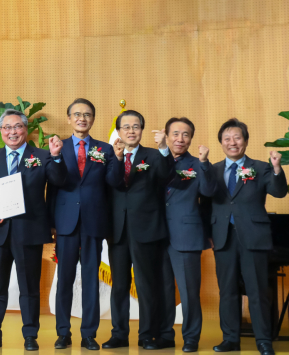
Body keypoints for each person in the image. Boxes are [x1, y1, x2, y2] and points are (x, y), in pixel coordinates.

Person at [0, 109, 66, 351]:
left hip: (29, 230)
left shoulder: (43, 155)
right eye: (7, 127)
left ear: (26, 129)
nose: (12, 132)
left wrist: (56, 157)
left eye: (17, 127)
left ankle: (30, 336)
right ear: (1, 131)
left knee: (29, 287)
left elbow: (58, 181)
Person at [202, 119, 286, 355]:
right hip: (222, 237)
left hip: (254, 237)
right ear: (221, 143)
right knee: (227, 291)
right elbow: (204, 205)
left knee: (257, 291)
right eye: (227, 139)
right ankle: (230, 339)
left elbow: (279, 192)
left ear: (246, 141)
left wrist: (277, 169)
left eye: (237, 138)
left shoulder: (261, 167)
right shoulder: (212, 170)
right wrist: (208, 234)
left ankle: (264, 341)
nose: (232, 142)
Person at [50, 99, 123, 351]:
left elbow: (114, 183)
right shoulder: (58, 147)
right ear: (69, 118)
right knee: (65, 279)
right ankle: (63, 332)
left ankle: (89, 334)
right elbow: (53, 185)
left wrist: (118, 159)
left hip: (94, 221)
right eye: (77, 114)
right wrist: (52, 224)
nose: (82, 118)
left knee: (91, 279)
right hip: (66, 222)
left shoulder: (106, 149)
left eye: (87, 115)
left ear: (93, 119)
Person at [104, 110, 175, 350]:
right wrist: (117, 158)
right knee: (119, 285)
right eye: (126, 127)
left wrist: (164, 147)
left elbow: (166, 176)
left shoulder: (154, 155)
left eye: (136, 126)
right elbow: (112, 182)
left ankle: (147, 334)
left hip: (146, 229)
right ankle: (119, 334)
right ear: (118, 131)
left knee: (146, 285)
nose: (131, 131)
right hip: (117, 231)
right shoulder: (111, 155)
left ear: (142, 130)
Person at [155, 118, 213, 353]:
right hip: (156, 234)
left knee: (189, 292)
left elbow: (208, 191)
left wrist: (205, 163)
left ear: (191, 138)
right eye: (176, 133)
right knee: (162, 289)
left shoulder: (198, 164)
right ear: (167, 135)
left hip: (187, 234)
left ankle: (191, 337)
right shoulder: (153, 159)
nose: (180, 139)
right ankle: (165, 335)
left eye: (186, 134)